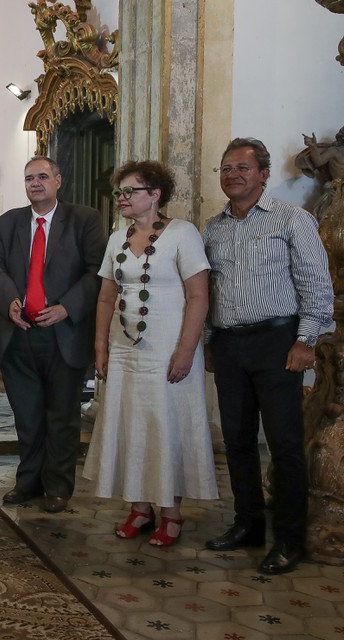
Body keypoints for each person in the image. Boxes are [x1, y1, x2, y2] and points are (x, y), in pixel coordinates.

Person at [203, 137, 334, 574]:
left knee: (284, 445)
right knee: (237, 441)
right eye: (226, 168)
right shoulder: (213, 227)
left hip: (279, 343)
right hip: (229, 344)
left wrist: (306, 341)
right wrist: (209, 342)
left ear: (262, 174)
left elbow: (317, 284)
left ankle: (290, 540)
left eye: (242, 168)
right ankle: (248, 524)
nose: (233, 175)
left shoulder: (292, 219)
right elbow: (208, 291)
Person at [82, 161, 217, 546]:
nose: (122, 199)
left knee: (164, 425)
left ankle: (171, 513)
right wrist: (101, 346)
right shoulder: (116, 240)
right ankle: (140, 508)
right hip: (125, 351)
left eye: (131, 191)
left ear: (155, 194)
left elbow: (198, 296)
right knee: (130, 424)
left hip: (167, 350)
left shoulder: (182, 235)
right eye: (119, 192)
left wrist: (187, 351)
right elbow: (107, 297)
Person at [0, 156, 106, 513]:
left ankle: (58, 486)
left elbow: (96, 271)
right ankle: (29, 482)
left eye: (42, 176)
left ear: (58, 181)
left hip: (64, 335)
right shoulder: (8, 224)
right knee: (28, 417)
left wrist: (67, 306)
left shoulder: (85, 220)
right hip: (18, 335)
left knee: (62, 417)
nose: (35, 183)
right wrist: (9, 300)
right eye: (29, 178)